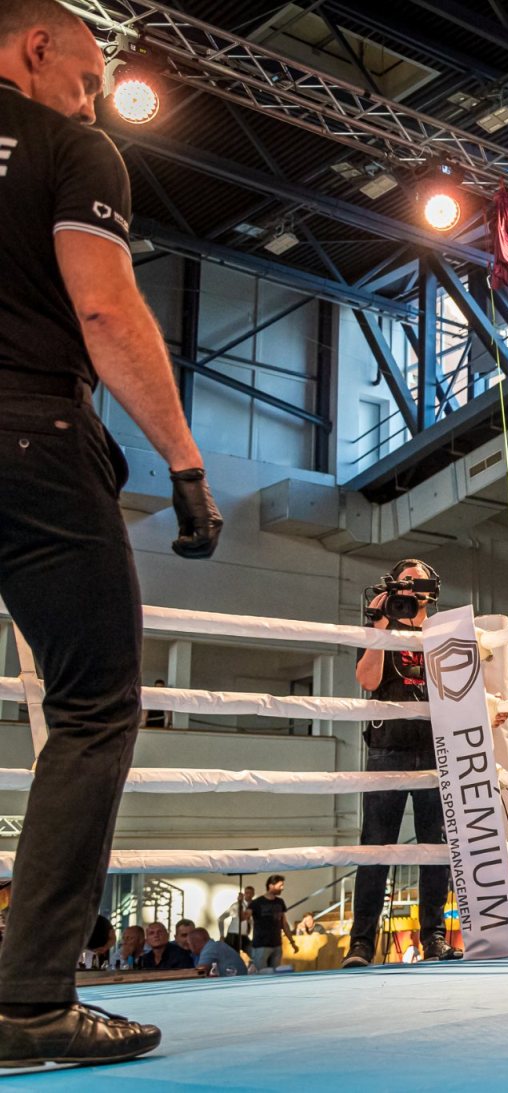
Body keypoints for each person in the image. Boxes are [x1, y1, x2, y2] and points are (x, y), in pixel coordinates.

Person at [0, 1, 224, 1067]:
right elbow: (104, 307)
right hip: (29, 434)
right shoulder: (68, 145)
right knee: (94, 706)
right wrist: (185, 461)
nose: (93, 102)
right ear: (36, 48)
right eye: (89, 77)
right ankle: (29, 1000)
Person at [347, 559, 465, 967]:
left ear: (431, 589)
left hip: (437, 747)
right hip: (388, 748)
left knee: (435, 846)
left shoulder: (445, 632)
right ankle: (361, 943)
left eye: (418, 580)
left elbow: (462, 686)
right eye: (404, 581)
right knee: (376, 846)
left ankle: (434, 937)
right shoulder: (379, 627)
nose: (411, 587)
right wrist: (380, 627)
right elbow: (368, 681)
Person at [248, 876, 296, 971]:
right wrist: (241, 903)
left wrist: (292, 941)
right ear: (271, 886)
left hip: (276, 945)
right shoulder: (257, 903)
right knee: (261, 973)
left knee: (275, 974)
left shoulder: (280, 902)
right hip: (261, 945)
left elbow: (284, 923)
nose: (282, 888)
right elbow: (244, 917)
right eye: (280, 885)